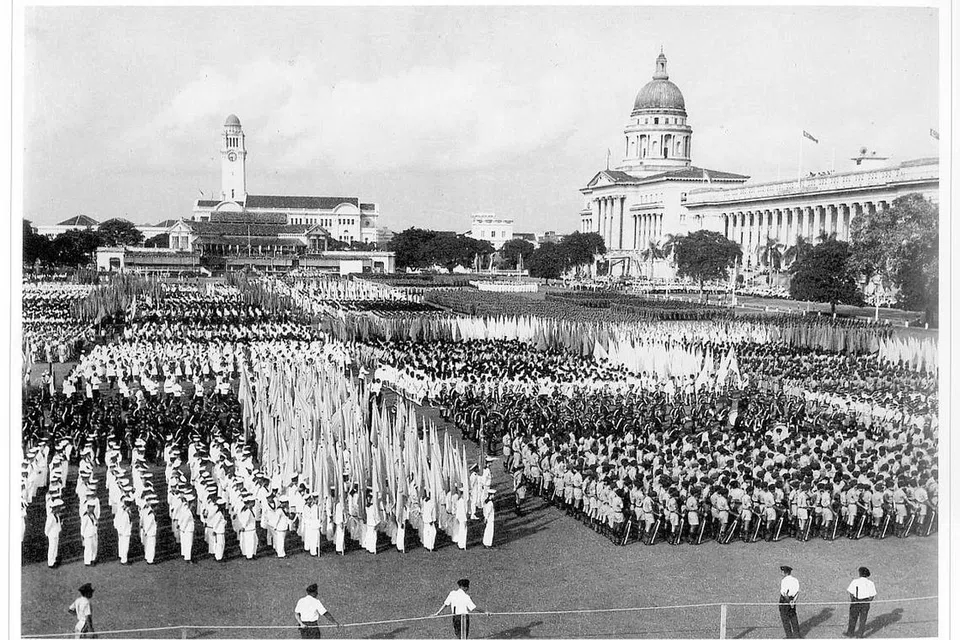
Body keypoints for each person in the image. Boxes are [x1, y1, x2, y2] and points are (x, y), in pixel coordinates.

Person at [844, 567, 877, 638]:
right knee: (863, 619)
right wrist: (867, 602)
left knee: (853, 618)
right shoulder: (870, 583)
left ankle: (850, 633)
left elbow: (851, 593)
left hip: (856, 602)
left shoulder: (855, 581)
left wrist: (853, 600)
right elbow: (872, 595)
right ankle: (860, 635)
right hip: (865, 603)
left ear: (860, 573)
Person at [778, 565, 801, 639]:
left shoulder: (784, 581)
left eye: (782, 571)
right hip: (792, 600)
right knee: (793, 616)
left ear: (785, 572)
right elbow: (797, 593)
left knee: (785, 618)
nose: (781, 573)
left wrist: (789, 601)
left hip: (785, 601)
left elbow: (784, 593)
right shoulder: (795, 580)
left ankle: (789, 637)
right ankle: (797, 636)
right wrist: (793, 601)